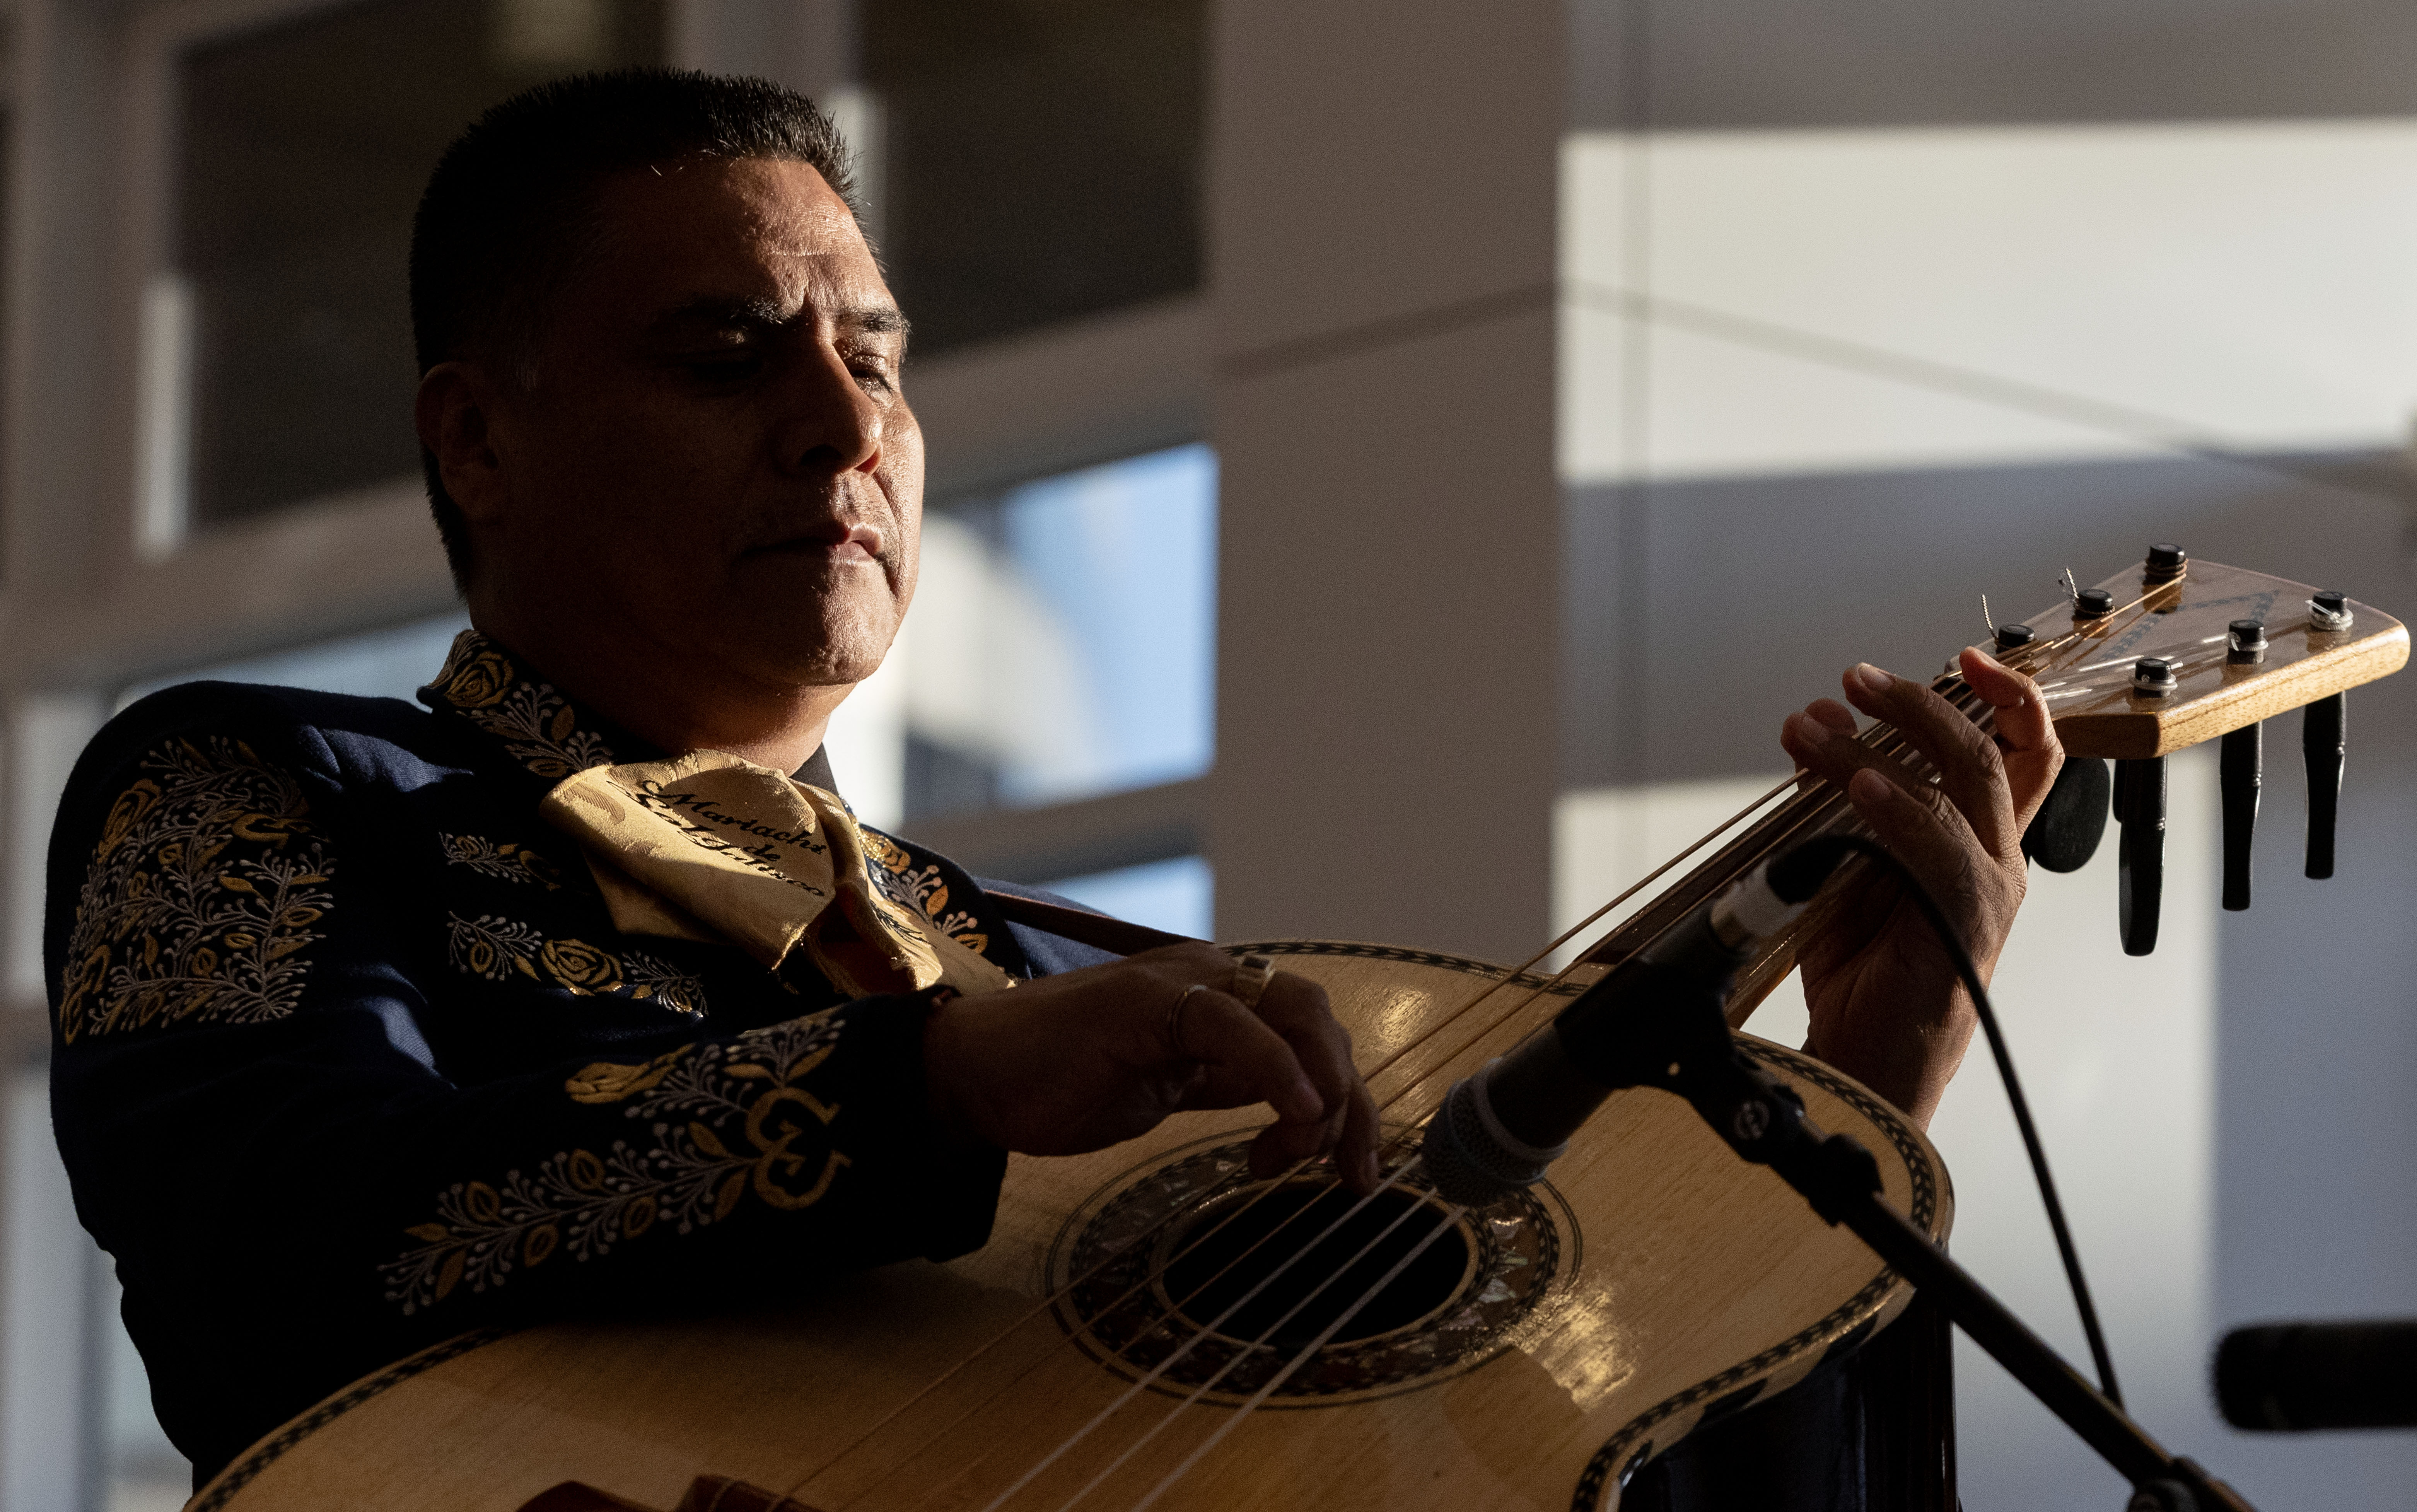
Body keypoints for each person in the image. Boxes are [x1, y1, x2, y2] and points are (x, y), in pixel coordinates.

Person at [41, 69, 2058, 1489]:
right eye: (728, 352)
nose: (845, 421)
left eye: (881, 354)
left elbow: (1511, 1470)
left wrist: (1869, 1086)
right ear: (479, 440)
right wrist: (932, 1082)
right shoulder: (254, 784)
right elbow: (277, 1254)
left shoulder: (1019, 965)